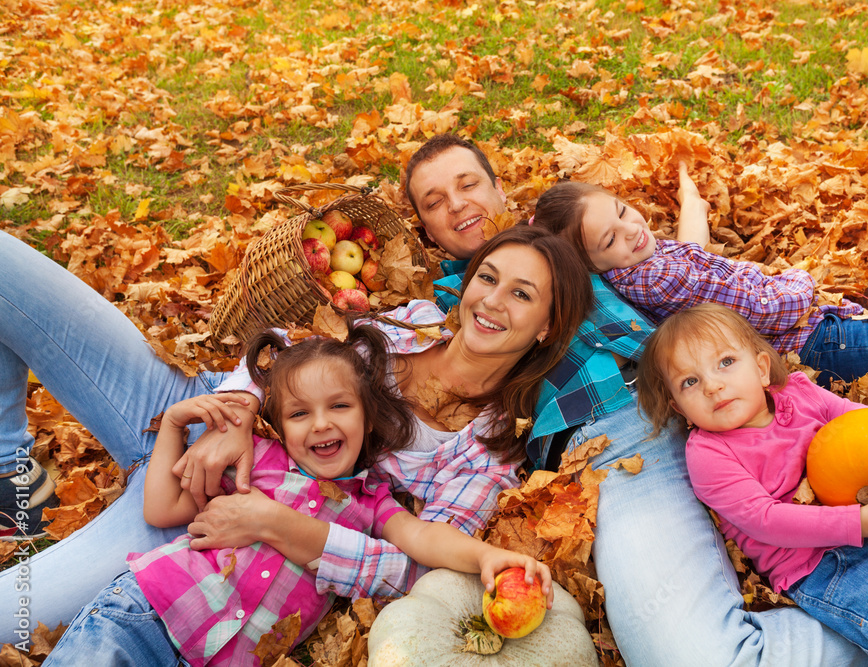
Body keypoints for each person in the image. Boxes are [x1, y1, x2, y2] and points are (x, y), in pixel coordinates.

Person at [402, 134, 868, 665]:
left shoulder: (578, 235)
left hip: (731, 392)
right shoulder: (446, 305)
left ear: (499, 187)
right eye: (434, 202)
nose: (457, 204)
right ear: (424, 230)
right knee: (685, 655)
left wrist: (694, 211)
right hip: (618, 442)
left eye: (467, 183)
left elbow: (683, 264)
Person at [0, 225, 588, 645]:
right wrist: (235, 414)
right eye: (488, 276)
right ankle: (9, 471)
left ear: (547, 328)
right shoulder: (412, 321)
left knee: (12, 616)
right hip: (185, 410)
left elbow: (411, 570)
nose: (491, 300)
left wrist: (275, 524)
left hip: (206, 524)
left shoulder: (488, 452)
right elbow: (289, 346)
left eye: (522, 294)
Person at [45, 325, 552, 667]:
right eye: (300, 413)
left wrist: (487, 555)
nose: (322, 423)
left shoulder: (371, 501)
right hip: (148, 616)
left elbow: (422, 537)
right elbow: (162, 509)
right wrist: (176, 425)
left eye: (339, 406)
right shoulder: (261, 462)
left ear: (368, 416)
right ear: (279, 425)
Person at [636, 302, 868, 664]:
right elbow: (765, 519)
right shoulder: (709, 455)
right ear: (680, 409)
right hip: (834, 568)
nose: (713, 386)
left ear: (762, 369)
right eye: (690, 382)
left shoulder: (800, 394)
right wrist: (859, 523)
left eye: (726, 362)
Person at [532, 173, 868, 394]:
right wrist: (801, 281)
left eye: (620, 210)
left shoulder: (643, 262)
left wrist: (691, 201)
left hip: (816, 324)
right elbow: (763, 310)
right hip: (817, 340)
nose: (632, 229)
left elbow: (692, 254)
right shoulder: (656, 278)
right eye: (610, 238)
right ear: (591, 264)